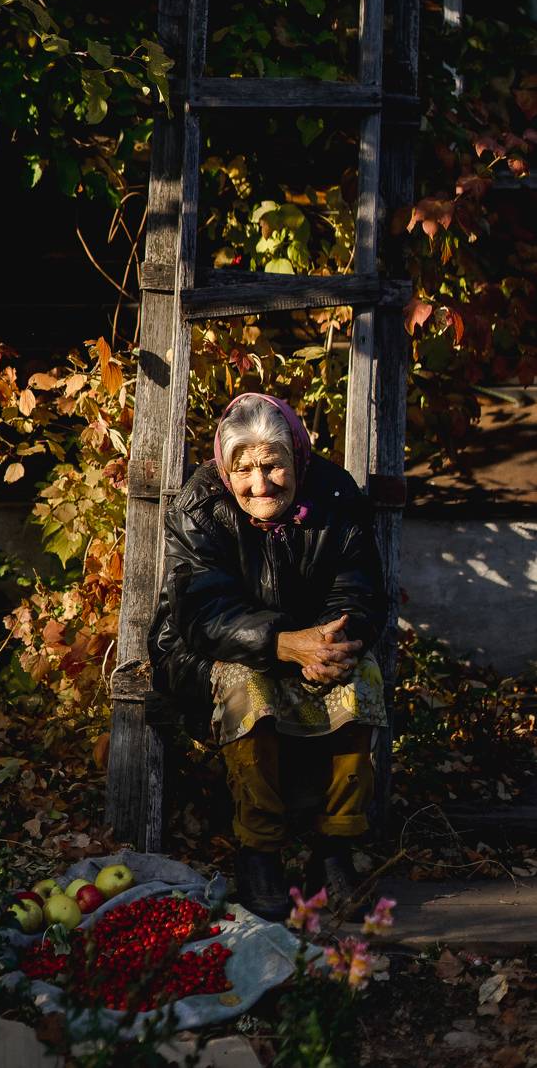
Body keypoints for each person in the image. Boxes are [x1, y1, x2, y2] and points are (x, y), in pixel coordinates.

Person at [149, 392, 387, 922]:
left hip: (313, 647)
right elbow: (201, 613)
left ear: (297, 459)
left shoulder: (335, 495)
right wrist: (283, 643)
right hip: (204, 652)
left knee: (361, 676)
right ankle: (260, 852)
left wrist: (331, 642)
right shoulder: (200, 505)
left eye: (273, 466)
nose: (260, 485)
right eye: (245, 470)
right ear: (225, 470)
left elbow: (359, 590)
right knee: (246, 685)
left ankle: (334, 850)